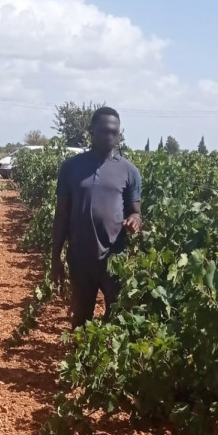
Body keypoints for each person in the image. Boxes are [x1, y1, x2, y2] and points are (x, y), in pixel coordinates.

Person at [51, 107, 142, 329]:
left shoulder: (129, 171)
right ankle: (81, 363)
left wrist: (134, 221)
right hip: (80, 256)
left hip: (114, 257)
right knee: (81, 316)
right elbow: (61, 215)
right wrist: (56, 258)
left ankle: (106, 363)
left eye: (114, 132)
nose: (110, 136)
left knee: (117, 314)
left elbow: (136, 211)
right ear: (91, 131)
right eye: (104, 131)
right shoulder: (71, 167)